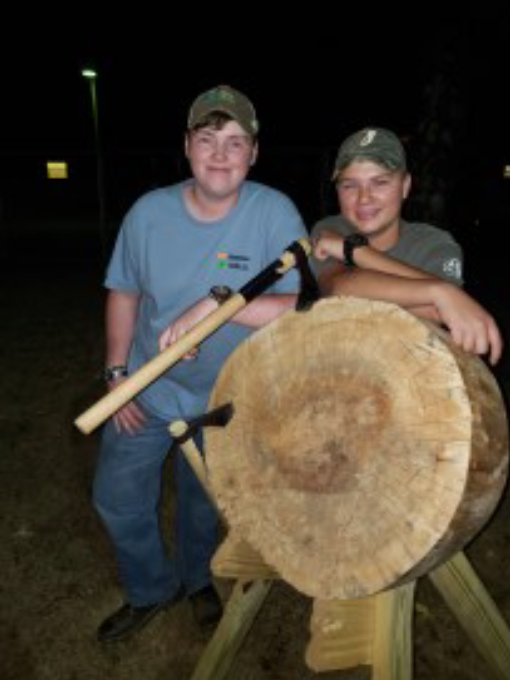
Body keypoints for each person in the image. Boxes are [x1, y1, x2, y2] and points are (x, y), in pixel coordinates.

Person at [93, 85, 308, 642]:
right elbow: (124, 291)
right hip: (148, 388)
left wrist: (222, 306)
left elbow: (308, 306)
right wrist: (118, 375)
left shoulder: (274, 212)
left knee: (204, 504)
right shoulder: (149, 213)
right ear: (187, 146)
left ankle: (197, 579)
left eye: (235, 142)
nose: (220, 154)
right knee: (117, 499)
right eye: (208, 139)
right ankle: (149, 589)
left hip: (228, 400)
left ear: (254, 154)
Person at [311, 126, 502, 365]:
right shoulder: (331, 229)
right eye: (349, 185)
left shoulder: (436, 244)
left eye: (380, 182)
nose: (364, 198)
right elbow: (338, 288)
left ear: (405, 186)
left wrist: (353, 251)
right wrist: (441, 292)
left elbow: (442, 315)